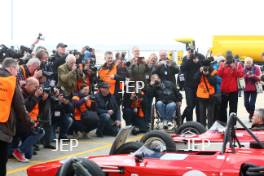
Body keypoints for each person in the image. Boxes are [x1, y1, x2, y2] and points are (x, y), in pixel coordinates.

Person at [0, 58, 33, 176]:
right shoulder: (11, 82)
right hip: (3, 126)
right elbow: (20, 106)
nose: (17, 73)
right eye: (17, 70)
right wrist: (30, 122)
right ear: (11, 68)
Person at [12, 77, 45, 162]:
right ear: (29, 85)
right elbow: (25, 108)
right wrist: (35, 96)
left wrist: (42, 98)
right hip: (17, 123)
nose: (36, 89)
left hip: (24, 123)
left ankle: (16, 150)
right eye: (35, 87)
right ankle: (19, 151)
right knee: (40, 131)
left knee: (29, 155)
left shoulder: (30, 93)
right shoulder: (20, 92)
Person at [217, 51, 244, 123]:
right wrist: (223, 67)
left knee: (233, 108)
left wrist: (234, 68)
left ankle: (232, 123)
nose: (228, 60)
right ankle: (223, 122)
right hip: (224, 89)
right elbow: (219, 74)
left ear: (232, 57)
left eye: (230, 58)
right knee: (222, 108)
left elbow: (241, 74)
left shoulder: (238, 64)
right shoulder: (222, 64)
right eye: (227, 58)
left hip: (233, 90)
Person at [194, 59, 217, 128]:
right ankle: (202, 127)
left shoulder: (212, 71)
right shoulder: (200, 71)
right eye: (204, 66)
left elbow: (213, 82)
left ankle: (210, 127)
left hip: (210, 95)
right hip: (201, 95)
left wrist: (208, 75)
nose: (206, 68)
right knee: (202, 113)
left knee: (210, 113)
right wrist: (199, 72)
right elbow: (195, 80)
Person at [181, 53, 201, 122]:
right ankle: (189, 121)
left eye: (196, 58)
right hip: (188, 86)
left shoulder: (199, 63)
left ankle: (199, 121)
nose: (195, 60)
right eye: (194, 58)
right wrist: (188, 59)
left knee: (198, 105)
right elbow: (182, 67)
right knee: (190, 105)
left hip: (198, 86)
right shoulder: (187, 62)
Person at [243, 57, 262, 122]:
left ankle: (251, 116)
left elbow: (259, 78)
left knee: (252, 104)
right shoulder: (244, 69)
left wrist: (253, 76)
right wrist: (246, 75)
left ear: (252, 63)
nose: (248, 64)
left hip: (254, 88)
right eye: (246, 63)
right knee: (246, 104)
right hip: (246, 89)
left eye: (249, 63)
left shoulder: (256, 68)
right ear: (245, 63)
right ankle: (252, 114)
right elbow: (241, 78)